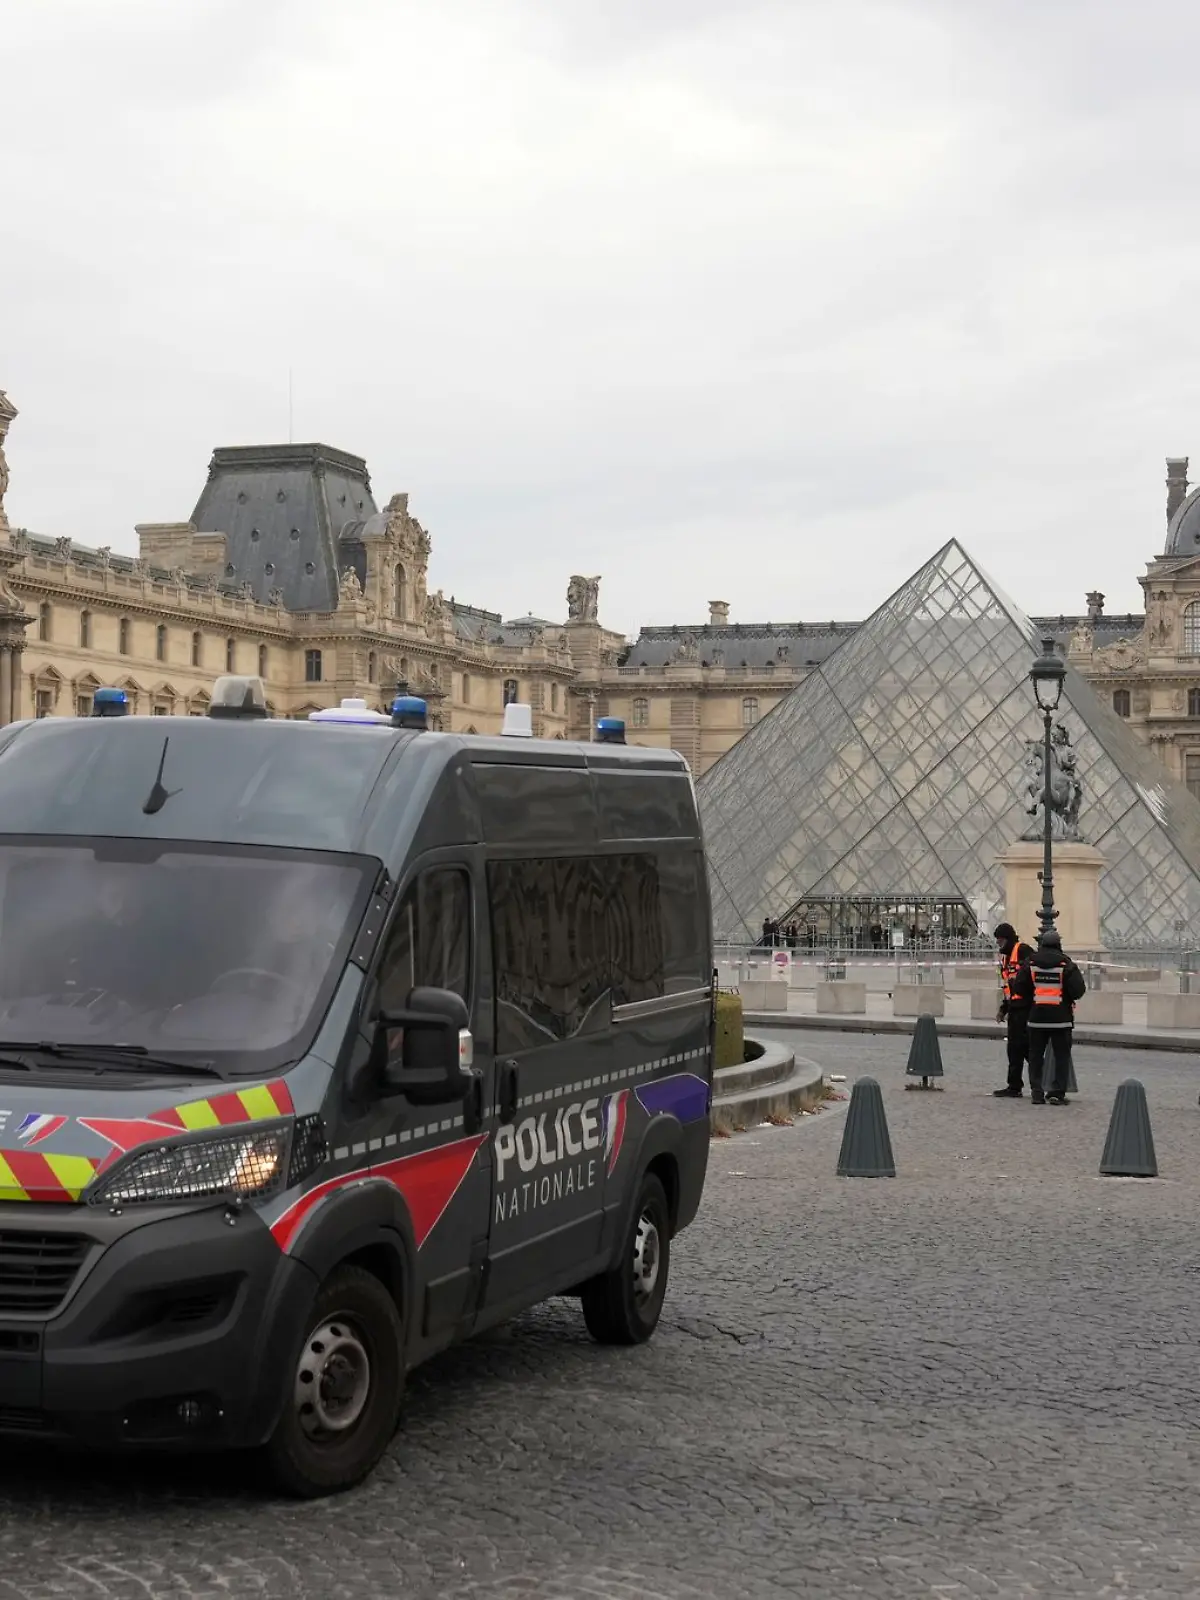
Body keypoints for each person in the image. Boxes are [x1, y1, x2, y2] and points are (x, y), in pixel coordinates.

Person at [1009, 929, 1086, 1105]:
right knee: (1061, 1057)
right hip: (1061, 1019)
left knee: (1035, 1055)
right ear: (1058, 944)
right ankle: (1057, 1093)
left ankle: (1037, 1091)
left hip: (1037, 1017)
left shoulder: (1031, 963)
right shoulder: (1066, 964)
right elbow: (1078, 991)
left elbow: (1019, 988)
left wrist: (1034, 997)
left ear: (1041, 944)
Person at [991, 921, 1036, 1098]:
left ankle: (1039, 1084)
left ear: (1008, 939)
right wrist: (1003, 1009)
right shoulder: (1005, 958)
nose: (998, 944)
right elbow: (1008, 987)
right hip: (1015, 1008)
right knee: (1014, 1049)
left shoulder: (1023, 950)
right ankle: (1014, 1086)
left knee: (1028, 1049)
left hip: (1027, 1007)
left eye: (1000, 940)